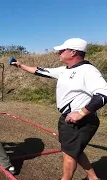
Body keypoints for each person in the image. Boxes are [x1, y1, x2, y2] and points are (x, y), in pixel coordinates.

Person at [10, 38, 107, 180]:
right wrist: (20, 65)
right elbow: (40, 71)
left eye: (62, 50)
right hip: (67, 119)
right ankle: (93, 177)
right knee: (74, 151)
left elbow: (103, 94)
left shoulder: (88, 71)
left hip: (81, 122)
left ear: (73, 52)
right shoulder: (64, 70)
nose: (58, 53)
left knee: (69, 154)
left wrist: (81, 113)